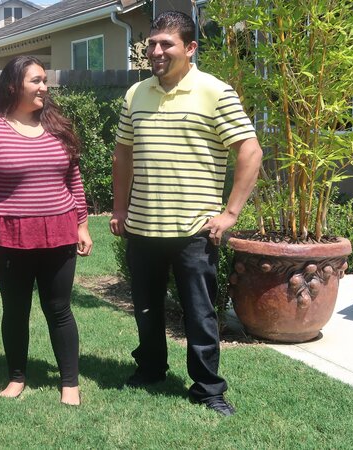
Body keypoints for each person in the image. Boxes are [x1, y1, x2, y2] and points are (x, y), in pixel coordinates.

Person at [110, 11, 262, 416]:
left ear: (190, 48)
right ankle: (151, 369)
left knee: (199, 313)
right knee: (146, 309)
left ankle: (208, 388)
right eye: (152, 43)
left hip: (195, 229)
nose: (156, 51)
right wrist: (120, 208)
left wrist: (230, 213)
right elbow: (123, 154)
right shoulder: (135, 94)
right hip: (143, 226)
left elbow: (250, 150)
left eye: (167, 44)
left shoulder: (215, 91)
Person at [0, 55, 93, 406]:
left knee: (59, 308)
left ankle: (70, 383)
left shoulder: (57, 126)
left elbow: (74, 180)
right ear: (12, 85)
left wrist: (82, 224)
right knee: (16, 309)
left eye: (45, 80)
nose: (44, 87)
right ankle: (17, 377)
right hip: (9, 237)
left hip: (59, 231)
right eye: (36, 81)